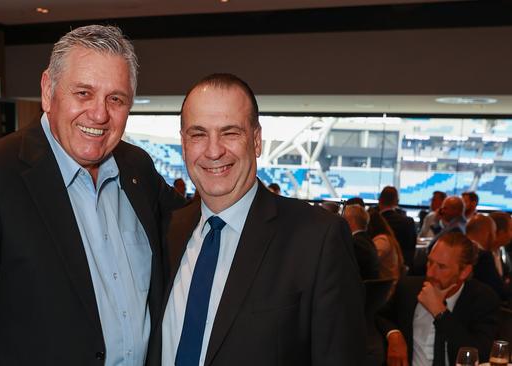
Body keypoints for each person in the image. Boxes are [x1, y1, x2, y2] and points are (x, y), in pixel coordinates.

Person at [0, 25, 184, 365]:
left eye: (115, 99)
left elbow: (192, 229)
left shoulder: (137, 169)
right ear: (48, 91)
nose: (99, 114)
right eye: (83, 93)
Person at [157, 73, 365, 366]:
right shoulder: (167, 229)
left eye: (230, 133)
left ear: (256, 140)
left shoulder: (317, 239)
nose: (214, 150)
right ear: (184, 143)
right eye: (198, 134)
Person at [378, 232, 500, 366]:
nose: (430, 273)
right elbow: (379, 316)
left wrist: (440, 312)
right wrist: (394, 335)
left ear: (464, 272)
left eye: (442, 267)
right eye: (430, 262)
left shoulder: (482, 299)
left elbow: (480, 354)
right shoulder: (408, 288)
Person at [468, 214, 510, 301]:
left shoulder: (459, 247)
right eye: (494, 232)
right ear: (488, 234)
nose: (495, 238)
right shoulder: (484, 257)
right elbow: (499, 291)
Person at [379, 186, 417, 271]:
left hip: (378, 270)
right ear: (397, 202)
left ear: (379, 200)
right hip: (401, 269)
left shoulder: (372, 222)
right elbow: (411, 249)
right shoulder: (408, 222)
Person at [367, 207, 405, 282]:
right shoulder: (386, 238)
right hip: (384, 283)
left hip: (385, 287)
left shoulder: (382, 240)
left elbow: (370, 261)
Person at [343, 204, 380, 280]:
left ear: (351, 221)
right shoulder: (368, 241)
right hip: (368, 288)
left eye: (343, 219)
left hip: (356, 289)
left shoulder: (354, 243)